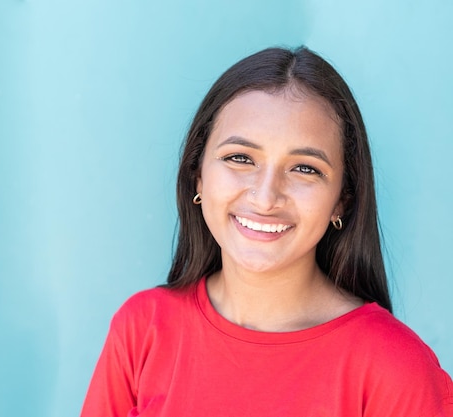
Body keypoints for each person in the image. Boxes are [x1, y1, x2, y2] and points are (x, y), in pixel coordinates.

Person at [80, 46, 453, 416]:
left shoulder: (396, 370)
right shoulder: (141, 330)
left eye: (305, 168)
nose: (265, 196)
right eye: (240, 158)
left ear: (342, 199)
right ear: (198, 175)